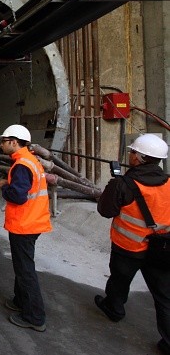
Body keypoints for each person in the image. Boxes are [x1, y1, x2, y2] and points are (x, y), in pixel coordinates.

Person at [94, 134, 170, 355]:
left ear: (139, 158)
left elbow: (105, 211)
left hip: (128, 248)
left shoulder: (123, 184)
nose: (130, 155)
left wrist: (113, 186)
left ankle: (114, 309)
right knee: (164, 297)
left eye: (133, 152)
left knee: (119, 281)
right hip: (162, 249)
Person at [0, 124, 51, 332]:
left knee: (25, 271)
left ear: (14, 142)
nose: (1, 144)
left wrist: (5, 187)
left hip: (25, 224)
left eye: (4, 141)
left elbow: (18, 196)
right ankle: (20, 301)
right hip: (32, 222)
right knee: (22, 267)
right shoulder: (29, 161)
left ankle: (35, 317)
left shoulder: (21, 165)